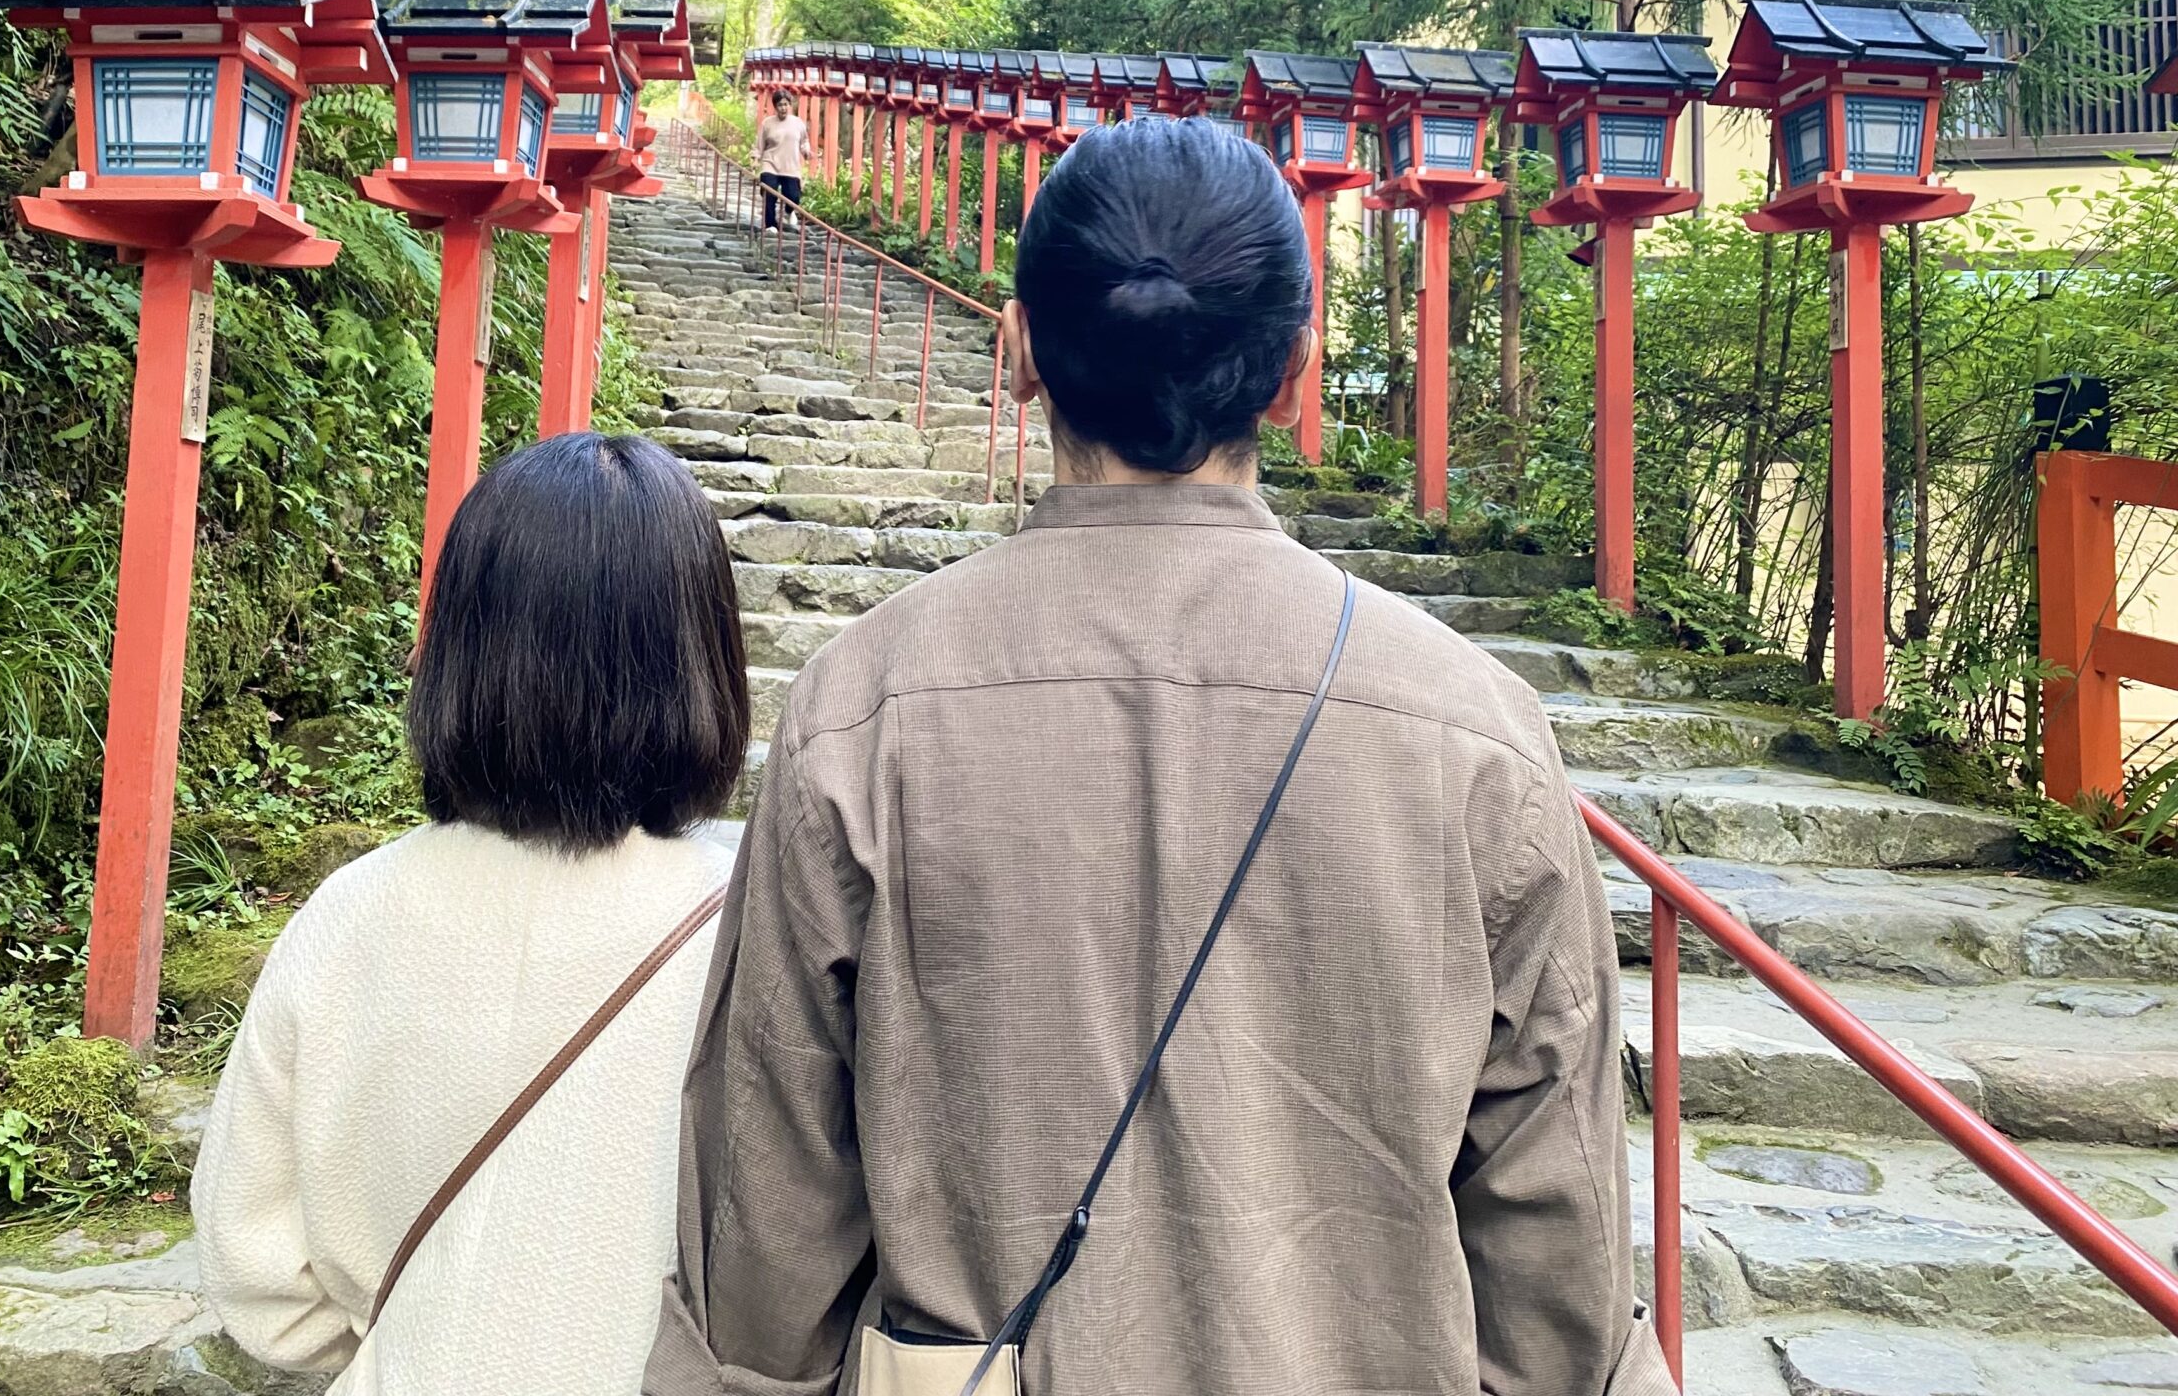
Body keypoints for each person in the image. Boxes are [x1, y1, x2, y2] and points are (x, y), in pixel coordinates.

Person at [646, 116, 1672, 1396]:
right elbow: (1556, 1242)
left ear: (1016, 350)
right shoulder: (1475, 732)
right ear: (1292, 370)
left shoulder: (865, 707)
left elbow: (768, 1218)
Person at [195, 432, 748, 1396]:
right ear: (702, 656)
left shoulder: (348, 915)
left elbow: (261, 1280)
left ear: (459, 645)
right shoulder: (763, 914)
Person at [756, 90, 809, 231]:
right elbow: (759, 144)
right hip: (770, 163)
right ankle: (771, 225)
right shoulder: (767, 123)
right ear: (775, 106)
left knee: (793, 196)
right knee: (769, 193)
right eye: (780, 105)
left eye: (786, 104)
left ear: (790, 105)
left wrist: (806, 151)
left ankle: (789, 211)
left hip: (790, 166)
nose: (783, 108)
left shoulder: (798, 123)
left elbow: (804, 141)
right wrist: (755, 156)